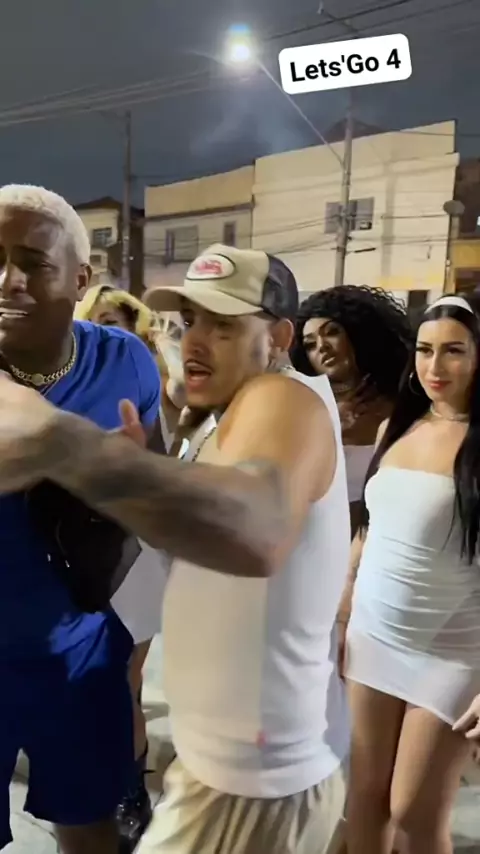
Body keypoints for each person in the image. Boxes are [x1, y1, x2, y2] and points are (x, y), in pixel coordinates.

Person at [0, 243, 351, 854]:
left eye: (223, 326)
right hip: (231, 768)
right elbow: (212, 552)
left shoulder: (282, 398)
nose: (195, 342)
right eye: (189, 321)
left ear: (279, 338)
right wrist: (136, 484)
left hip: (256, 781)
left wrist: (66, 444)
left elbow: (257, 529)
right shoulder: (225, 416)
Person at [0, 184, 161, 854]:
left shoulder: (125, 361)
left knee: (93, 834)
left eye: (31, 263)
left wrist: (137, 646)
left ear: (80, 279)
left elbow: (152, 501)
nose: (6, 281)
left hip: (83, 655)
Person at [341, 294, 480, 854]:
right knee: (362, 799)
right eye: (425, 350)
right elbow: (368, 533)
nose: (435, 366)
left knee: (413, 811)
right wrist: (339, 617)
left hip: (453, 652)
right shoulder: (396, 428)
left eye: (453, 351)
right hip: (373, 638)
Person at [75, 285, 169, 851]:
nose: (113, 332)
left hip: (137, 555)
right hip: (74, 559)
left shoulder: (152, 380)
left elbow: (165, 466)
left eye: (121, 322)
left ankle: (129, 793)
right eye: (102, 321)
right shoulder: (60, 383)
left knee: (124, 682)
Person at [290, 285, 412, 536]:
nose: (322, 346)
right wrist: (333, 428)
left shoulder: (403, 402)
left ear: (359, 334)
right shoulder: (301, 405)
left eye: (332, 332)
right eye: (310, 344)